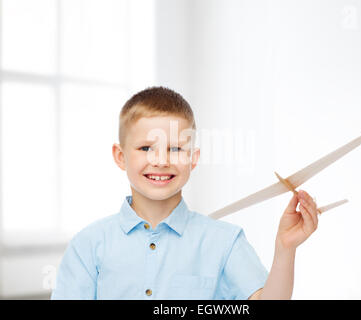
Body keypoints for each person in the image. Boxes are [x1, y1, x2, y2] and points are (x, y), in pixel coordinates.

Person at [51, 86, 319, 300]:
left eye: (175, 149)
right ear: (120, 156)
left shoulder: (225, 242)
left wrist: (285, 249)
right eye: (145, 148)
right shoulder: (88, 245)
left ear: (193, 158)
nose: (160, 160)